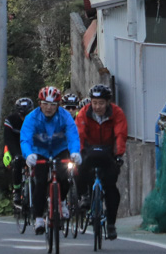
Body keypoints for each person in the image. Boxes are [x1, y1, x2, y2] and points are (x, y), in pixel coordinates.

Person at [21, 86, 82, 234]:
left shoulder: (65, 116)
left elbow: (73, 136)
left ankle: (62, 201)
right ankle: (38, 219)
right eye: (45, 104)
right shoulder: (32, 118)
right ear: (39, 103)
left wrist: (75, 152)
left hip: (59, 150)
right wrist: (28, 154)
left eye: (53, 105)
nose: (49, 108)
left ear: (58, 105)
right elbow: (25, 139)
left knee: (66, 174)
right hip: (39, 152)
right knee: (40, 182)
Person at [75, 84, 127, 239]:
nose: (97, 107)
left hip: (108, 151)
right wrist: (78, 153)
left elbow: (121, 134)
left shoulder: (117, 113)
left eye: (101, 103)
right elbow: (79, 134)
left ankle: (111, 224)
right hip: (89, 150)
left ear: (108, 102)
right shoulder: (84, 113)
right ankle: (84, 195)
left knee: (111, 189)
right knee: (78, 170)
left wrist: (118, 155)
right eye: (94, 103)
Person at [2, 97, 35, 204]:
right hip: (16, 145)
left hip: (32, 146)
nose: (25, 118)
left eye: (27, 115)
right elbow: (8, 139)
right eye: (22, 116)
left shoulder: (37, 119)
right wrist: (15, 154)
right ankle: (16, 190)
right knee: (17, 161)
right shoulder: (10, 120)